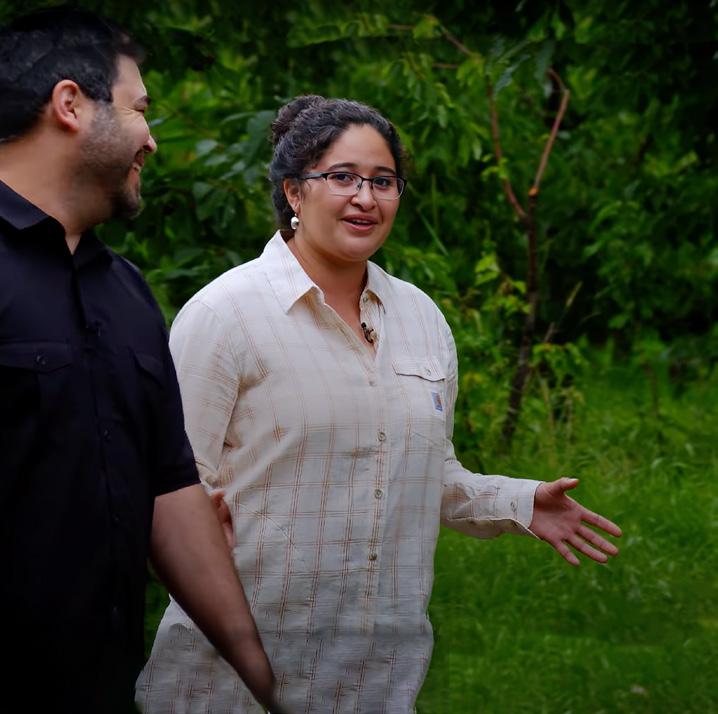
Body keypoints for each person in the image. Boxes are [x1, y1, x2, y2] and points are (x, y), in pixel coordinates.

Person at [137, 95, 622, 713]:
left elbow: (423, 474)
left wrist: (520, 503)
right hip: (234, 681)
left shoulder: (421, 318)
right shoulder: (225, 314)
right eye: (342, 177)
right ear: (293, 191)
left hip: (378, 680)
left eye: (383, 181)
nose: (365, 198)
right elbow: (170, 490)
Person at [0, 7, 280, 713]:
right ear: (70, 104)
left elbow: (169, 488)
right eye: (139, 109)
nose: (151, 138)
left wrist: (264, 675)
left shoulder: (125, 292)